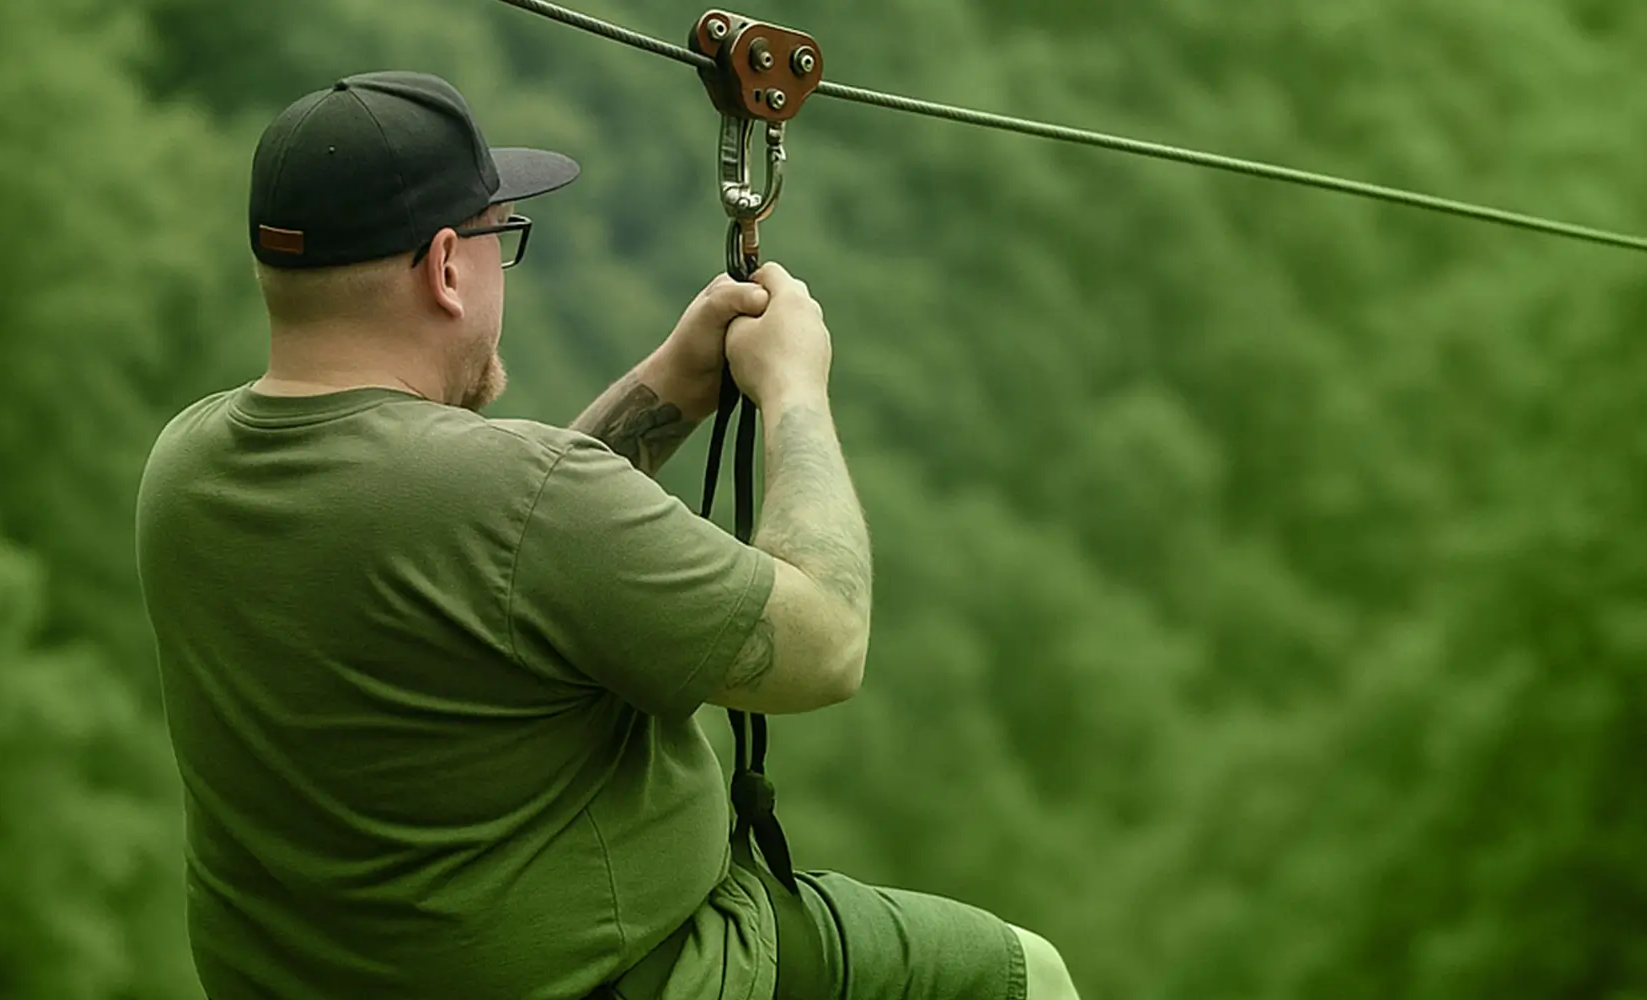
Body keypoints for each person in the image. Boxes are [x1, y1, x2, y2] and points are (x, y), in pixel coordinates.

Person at [134, 69, 1079, 1000]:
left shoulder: (185, 470)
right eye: (501, 240)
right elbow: (827, 642)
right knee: (1027, 973)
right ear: (445, 268)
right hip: (632, 974)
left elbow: (496, 559)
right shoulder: (513, 497)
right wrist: (795, 389)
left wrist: (675, 382)